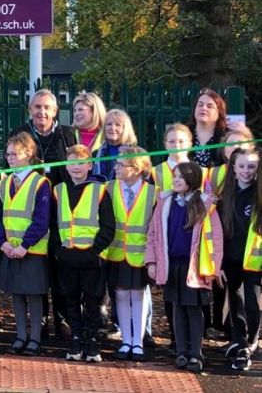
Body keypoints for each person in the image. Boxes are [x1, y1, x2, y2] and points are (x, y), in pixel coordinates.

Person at [9, 89, 76, 340]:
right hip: (31, 213)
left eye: (47, 107)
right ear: (29, 109)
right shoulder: (19, 133)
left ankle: (62, 318)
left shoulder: (67, 134)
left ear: (55, 111)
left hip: (60, 212)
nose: (42, 112)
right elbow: (12, 168)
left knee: (59, 268)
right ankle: (41, 321)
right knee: (37, 269)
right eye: (37, 107)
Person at [146, 162, 223, 373]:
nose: (176, 179)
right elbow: (153, 234)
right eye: (175, 176)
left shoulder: (205, 205)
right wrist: (151, 262)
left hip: (195, 267)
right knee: (177, 309)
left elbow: (215, 239)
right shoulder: (165, 203)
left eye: (181, 176)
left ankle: (195, 353)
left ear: (192, 179)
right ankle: (181, 351)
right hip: (172, 265)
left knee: (194, 310)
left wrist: (214, 268)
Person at [0, 132, 51, 356]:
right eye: (7, 154)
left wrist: (24, 245)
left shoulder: (40, 183)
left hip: (32, 250)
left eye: (14, 154)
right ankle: (20, 335)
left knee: (34, 294)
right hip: (9, 249)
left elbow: (41, 219)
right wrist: (2, 242)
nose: (10, 158)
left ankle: (35, 337)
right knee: (16, 294)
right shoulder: (5, 182)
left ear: (29, 154)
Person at [54, 145, 115, 363]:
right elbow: (54, 225)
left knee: (93, 301)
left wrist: (95, 250)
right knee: (71, 300)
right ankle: (76, 339)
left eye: (81, 162)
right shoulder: (59, 190)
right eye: (71, 162)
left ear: (90, 165)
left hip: (92, 258)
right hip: (67, 256)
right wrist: (58, 250)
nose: (76, 167)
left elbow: (109, 226)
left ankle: (92, 341)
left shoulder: (99, 190)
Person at [107, 146, 156, 362]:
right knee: (120, 295)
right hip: (116, 253)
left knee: (138, 295)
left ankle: (138, 341)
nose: (116, 167)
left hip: (140, 254)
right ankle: (125, 340)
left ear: (137, 168)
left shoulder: (153, 192)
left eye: (121, 164)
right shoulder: (109, 188)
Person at [216, 148, 262, 371]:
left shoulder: (259, 194)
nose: (246, 171)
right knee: (235, 302)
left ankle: (253, 339)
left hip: (254, 261)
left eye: (251, 166)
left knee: (253, 305)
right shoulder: (225, 195)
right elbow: (220, 233)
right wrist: (221, 262)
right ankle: (241, 342)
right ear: (233, 167)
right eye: (242, 166)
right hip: (231, 260)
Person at [204, 125, 254, 197]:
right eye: (230, 144)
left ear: (251, 147)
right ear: (224, 150)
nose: (235, 147)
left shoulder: (258, 172)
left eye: (240, 143)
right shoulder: (213, 173)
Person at [92, 109, 138, 180]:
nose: (113, 128)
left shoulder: (136, 154)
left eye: (118, 125)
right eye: (109, 124)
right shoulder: (95, 155)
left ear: (125, 129)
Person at [187, 89, 228, 168]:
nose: (204, 108)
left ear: (219, 112)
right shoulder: (183, 134)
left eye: (210, 106)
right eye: (200, 105)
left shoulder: (226, 137)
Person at [151, 124, 193, 192]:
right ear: (165, 145)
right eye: (171, 141)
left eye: (181, 141)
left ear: (190, 144)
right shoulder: (153, 172)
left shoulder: (202, 172)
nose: (176, 145)